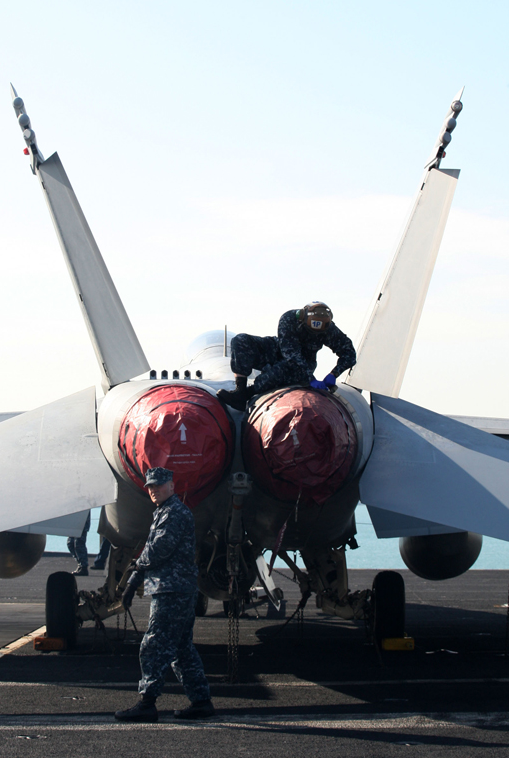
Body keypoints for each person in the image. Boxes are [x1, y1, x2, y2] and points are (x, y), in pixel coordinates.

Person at [114, 467, 215, 723]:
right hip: (176, 587)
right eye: (150, 487)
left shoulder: (174, 513)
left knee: (154, 645)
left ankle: (147, 703)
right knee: (182, 648)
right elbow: (155, 548)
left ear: (172, 486)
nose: (154, 490)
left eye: (159, 485)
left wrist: (135, 573)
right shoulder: (164, 512)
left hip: (172, 589)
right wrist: (137, 576)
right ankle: (201, 701)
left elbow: (160, 548)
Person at [217, 301, 356, 411]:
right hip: (280, 350)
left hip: (304, 363)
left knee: (280, 371)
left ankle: (248, 394)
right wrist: (311, 378)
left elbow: (349, 353)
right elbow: (290, 354)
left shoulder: (328, 329)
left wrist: (334, 374)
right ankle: (240, 390)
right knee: (241, 340)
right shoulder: (289, 319)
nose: (313, 335)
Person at [67, 511, 91, 576]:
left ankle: (83, 567)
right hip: (74, 521)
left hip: (82, 521)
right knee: (70, 543)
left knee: (79, 544)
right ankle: (81, 565)